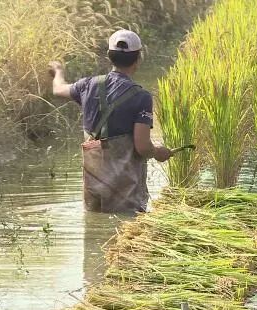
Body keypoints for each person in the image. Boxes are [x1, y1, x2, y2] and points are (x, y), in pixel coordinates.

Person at [49, 29, 171, 214]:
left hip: (93, 182)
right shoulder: (141, 97)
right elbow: (142, 146)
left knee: (93, 231)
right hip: (125, 190)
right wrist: (158, 152)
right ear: (138, 58)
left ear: (109, 56)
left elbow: (58, 90)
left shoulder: (87, 85)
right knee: (128, 233)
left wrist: (58, 71)